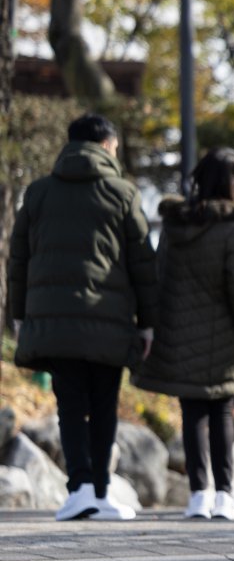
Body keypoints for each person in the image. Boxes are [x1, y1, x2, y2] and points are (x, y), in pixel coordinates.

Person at [8, 114, 156, 521]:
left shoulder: (38, 194)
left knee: (70, 404)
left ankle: (79, 490)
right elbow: (143, 262)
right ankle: (101, 493)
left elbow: (18, 261)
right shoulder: (123, 193)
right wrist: (148, 321)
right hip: (109, 321)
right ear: (108, 146)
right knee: (104, 405)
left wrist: (18, 317)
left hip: (54, 322)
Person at [134, 148, 234, 521]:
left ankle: (198, 496)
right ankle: (225, 495)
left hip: (180, 334)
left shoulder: (174, 226)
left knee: (192, 412)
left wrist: (155, 328)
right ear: (227, 182)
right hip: (223, 337)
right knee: (221, 409)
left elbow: (160, 279)